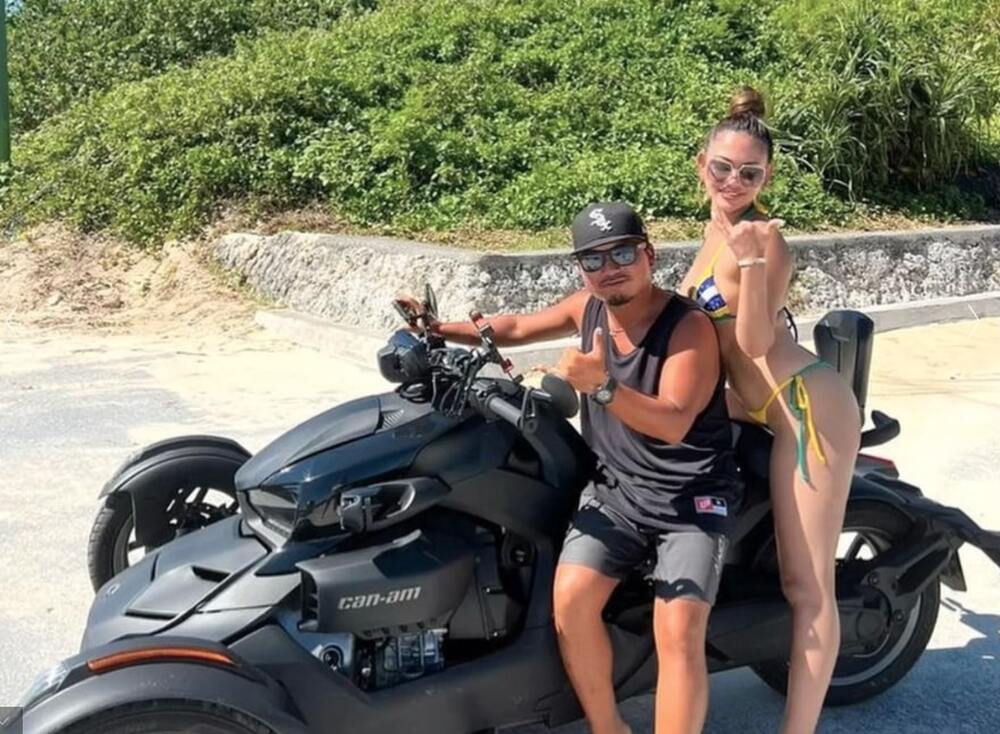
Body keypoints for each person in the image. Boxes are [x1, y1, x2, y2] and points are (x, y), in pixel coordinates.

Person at [398, 201, 742, 734]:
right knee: (571, 602)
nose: (610, 268)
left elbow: (673, 421)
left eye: (622, 253)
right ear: (581, 269)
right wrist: (438, 329)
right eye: (593, 259)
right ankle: (608, 727)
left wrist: (601, 386)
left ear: (649, 255)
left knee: (677, 631)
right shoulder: (589, 308)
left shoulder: (687, 326)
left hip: (689, 499)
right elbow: (515, 327)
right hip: (616, 493)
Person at [679, 87, 861, 734]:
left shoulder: (763, 242)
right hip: (747, 405)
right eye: (722, 167)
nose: (733, 182)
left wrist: (754, 264)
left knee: (805, 587)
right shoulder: (713, 230)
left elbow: (755, 343)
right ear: (701, 165)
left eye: (749, 173)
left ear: (768, 177)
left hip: (805, 409)